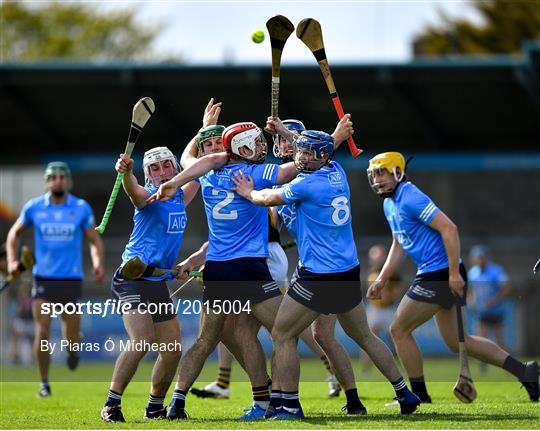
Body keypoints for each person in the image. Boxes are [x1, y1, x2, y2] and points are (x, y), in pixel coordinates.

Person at [232, 131, 421, 419]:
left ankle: (289, 406)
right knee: (364, 337)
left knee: (282, 334)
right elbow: (315, 145)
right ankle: (404, 393)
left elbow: (267, 197)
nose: (303, 156)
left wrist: (248, 192)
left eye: (310, 153)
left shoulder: (306, 184)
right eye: (301, 152)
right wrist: (285, 132)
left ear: (324, 156)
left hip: (318, 278)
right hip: (347, 273)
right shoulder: (337, 170)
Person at [153, 120, 302, 421]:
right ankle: (280, 403)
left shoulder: (207, 176)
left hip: (218, 271)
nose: (262, 148)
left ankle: (177, 402)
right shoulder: (255, 175)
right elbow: (296, 165)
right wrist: (291, 137)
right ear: (240, 148)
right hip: (249, 269)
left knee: (207, 340)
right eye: (256, 143)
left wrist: (202, 128)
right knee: (285, 332)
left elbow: (186, 160)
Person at [365, 152, 539, 403]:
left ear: (398, 173)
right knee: (457, 342)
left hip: (440, 273)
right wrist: (382, 278)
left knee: (398, 329)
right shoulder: (388, 204)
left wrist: (454, 273)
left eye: (382, 173)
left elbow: (449, 228)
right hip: (435, 273)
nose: (377, 179)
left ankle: (419, 395)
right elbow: (398, 243)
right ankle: (525, 372)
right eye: (374, 175)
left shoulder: (410, 196)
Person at [100, 146, 228, 422]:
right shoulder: (148, 195)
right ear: (148, 174)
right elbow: (135, 194)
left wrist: (204, 130)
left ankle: (155, 407)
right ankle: (111, 404)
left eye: (166, 166)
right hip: (132, 278)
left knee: (172, 351)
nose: (162, 173)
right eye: (154, 169)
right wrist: (126, 174)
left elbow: (200, 167)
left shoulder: (180, 195)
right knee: (142, 339)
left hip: (157, 279)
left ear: (175, 168)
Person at [6, 161, 105, 397]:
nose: (58, 180)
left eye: (62, 177)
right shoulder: (34, 208)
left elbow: (94, 240)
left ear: (68, 181)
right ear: (47, 182)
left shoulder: (80, 208)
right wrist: (12, 261)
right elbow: (13, 235)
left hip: (70, 280)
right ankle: (44, 382)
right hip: (43, 279)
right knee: (43, 329)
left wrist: (98, 263)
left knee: (71, 337)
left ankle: (73, 351)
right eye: (53, 177)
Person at [468, 245, 511, 371]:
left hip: (496, 311)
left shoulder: (496, 271)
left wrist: (494, 300)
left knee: (499, 340)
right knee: (481, 337)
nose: (479, 260)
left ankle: (508, 364)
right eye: (477, 258)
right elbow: (473, 291)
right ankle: (483, 364)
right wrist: (471, 300)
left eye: (481, 257)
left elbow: (506, 286)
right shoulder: (473, 273)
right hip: (482, 311)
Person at [363, 244, 403, 372]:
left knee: (397, 337)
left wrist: (390, 293)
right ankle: (366, 367)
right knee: (368, 337)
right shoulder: (371, 273)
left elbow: (398, 289)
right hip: (374, 309)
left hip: (389, 309)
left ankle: (402, 365)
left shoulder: (392, 273)